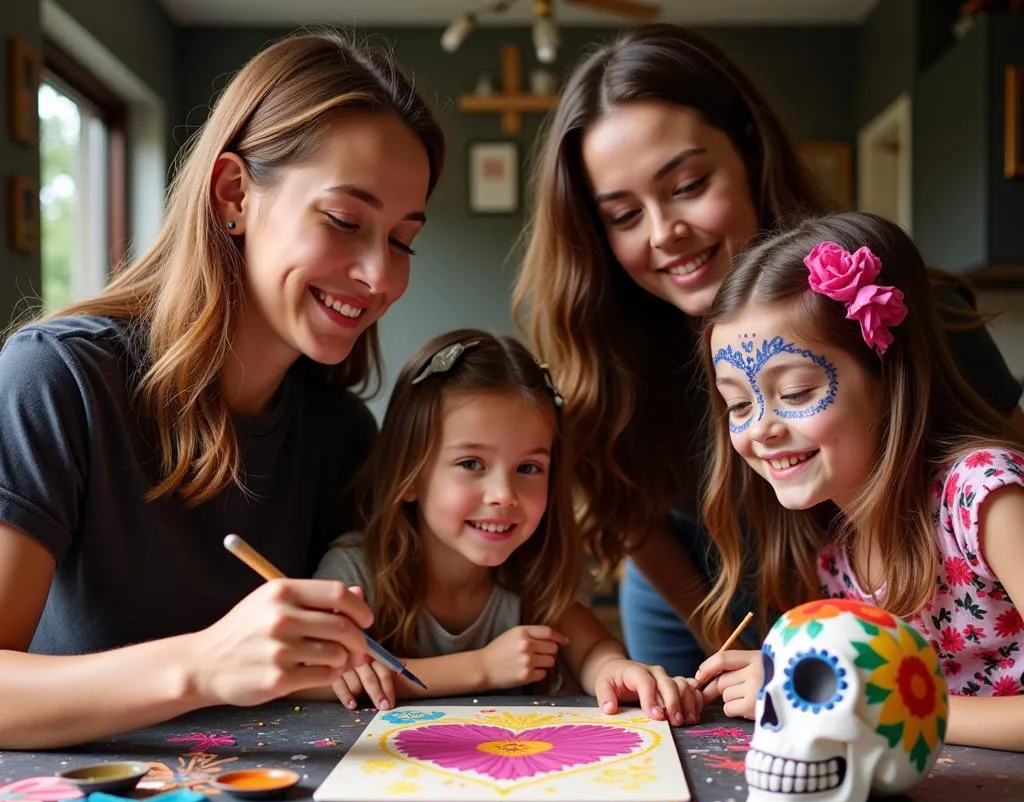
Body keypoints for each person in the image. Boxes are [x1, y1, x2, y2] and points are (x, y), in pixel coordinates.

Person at [513, 23, 1024, 679]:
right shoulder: (612, 353)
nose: (665, 233)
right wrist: (761, 659)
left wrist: (825, 678)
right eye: (623, 215)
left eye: (688, 184)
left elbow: (1004, 480)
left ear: (749, 152)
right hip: (709, 599)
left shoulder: (912, 316)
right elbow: (634, 518)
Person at [0, 33, 445, 749]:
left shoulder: (339, 434)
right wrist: (202, 666)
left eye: (402, 239)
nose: (380, 276)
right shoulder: (57, 380)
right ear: (235, 194)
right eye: (344, 220)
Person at [695, 210, 1024, 752]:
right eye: (738, 403)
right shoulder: (833, 552)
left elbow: (872, 703)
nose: (761, 429)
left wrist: (851, 698)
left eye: (797, 393)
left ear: (887, 377)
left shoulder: (985, 497)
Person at [315, 330, 704, 727]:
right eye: (471, 464)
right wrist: (482, 668)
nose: (503, 494)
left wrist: (615, 670)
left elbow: (592, 652)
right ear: (409, 474)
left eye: (529, 468)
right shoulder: (355, 573)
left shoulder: (539, 571)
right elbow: (304, 678)